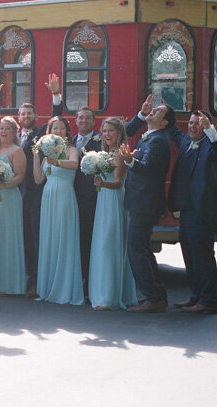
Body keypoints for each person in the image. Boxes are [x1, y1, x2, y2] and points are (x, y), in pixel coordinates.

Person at [0, 74, 63, 298]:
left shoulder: (41, 134)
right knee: (20, 237)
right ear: (19, 117)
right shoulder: (11, 139)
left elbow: (56, 119)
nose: (26, 116)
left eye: (30, 113)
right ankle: (20, 277)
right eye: (23, 114)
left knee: (34, 237)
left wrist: (55, 95)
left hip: (34, 195)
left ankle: (35, 280)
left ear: (35, 116)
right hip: (14, 195)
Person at [163, 105, 217, 314]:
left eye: (198, 124)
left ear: (206, 126)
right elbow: (172, 128)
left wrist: (210, 130)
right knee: (189, 254)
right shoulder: (184, 141)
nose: (192, 127)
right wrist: (164, 107)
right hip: (187, 210)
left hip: (205, 211)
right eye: (190, 123)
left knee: (203, 256)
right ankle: (195, 297)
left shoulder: (211, 145)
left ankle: (209, 301)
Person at [122, 102, 175, 313]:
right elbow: (124, 133)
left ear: (164, 122)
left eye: (159, 111)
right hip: (142, 201)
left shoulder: (158, 141)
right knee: (142, 248)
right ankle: (156, 295)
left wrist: (129, 161)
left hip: (145, 202)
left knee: (136, 249)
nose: (154, 110)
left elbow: (148, 168)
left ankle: (154, 297)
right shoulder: (152, 137)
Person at [0, 78, 27, 295]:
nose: (3, 131)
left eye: (7, 128)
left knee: (7, 237)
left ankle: (7, 284)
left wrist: (5, 185)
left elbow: (20, 176)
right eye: (1, 128)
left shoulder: (17, 151)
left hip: (8, 197)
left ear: (14, 131)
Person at [87, 117, 137, 311]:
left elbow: (118, 182)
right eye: (105, 131)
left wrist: (102, 183)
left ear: (119, 134)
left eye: (111, 131)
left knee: (110, 244)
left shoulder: (119, 154)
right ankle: (102, 292)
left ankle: (110, 297)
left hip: (114, 200)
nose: (107, 135)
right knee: (102, 245)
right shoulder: (104, 154)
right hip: (103, 201)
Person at [33, 116, 84, 305]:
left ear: (67, 132)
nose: (58, 131)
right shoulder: (47, 154)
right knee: (50, 238)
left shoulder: (71, 150)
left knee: (64, 238)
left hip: (64, 196)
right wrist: (35, 156)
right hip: (48, 197)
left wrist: (56, 162)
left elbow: (74, 164)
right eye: (55, 128)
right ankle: (47, 287)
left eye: (62, 128)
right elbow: (38, 179)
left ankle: (64, 288)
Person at [72, 105, 102, 300]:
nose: (83, 121)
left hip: (91, 200)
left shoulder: (100, 141)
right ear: (76, 121)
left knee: (89, 242)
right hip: (72, 199)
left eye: (87, 118)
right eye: (80, 118)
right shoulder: (71, 141)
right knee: (77, 242)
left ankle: (90, 284)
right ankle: (80, 280)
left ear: (93, 121)